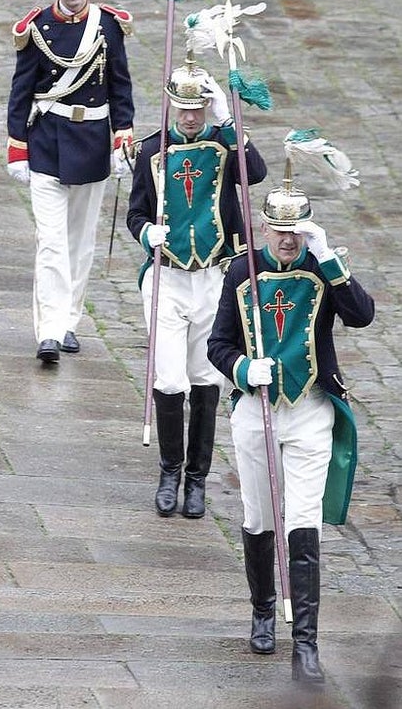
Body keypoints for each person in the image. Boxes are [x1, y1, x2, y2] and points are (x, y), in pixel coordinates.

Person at [208, 185, 374, 685]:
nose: (287, 240)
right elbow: (218, 343)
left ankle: (306, 645)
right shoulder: (241, 272)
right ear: (264, 228)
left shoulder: (323, 269)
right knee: (259, 515)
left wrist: (328, 258)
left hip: (310, 410)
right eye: (280, 231)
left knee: (303, 520)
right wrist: (242, 369)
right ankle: (262, 609)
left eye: (296, 232)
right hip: (256, 409)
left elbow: (362, 315)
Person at [127, 61, 267, 519]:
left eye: (198, 108)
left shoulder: (224, 144)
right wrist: (146, 233)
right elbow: (135, 212)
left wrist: (228, 118)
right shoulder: (152, 150)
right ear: (172, 106)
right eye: (183, 108)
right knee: (169, 378)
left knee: (206, 377)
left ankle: (197, 479)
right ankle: (169, 470)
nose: (190, 117)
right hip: (167, 277)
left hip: (213, 277)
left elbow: (256, 172)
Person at [6, 0, 136, 364]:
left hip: (92, 143)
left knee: (80, 243)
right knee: (51, 242)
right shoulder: (37, 28)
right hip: (47, 142)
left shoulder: (108, 26)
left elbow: (120, 86)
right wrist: (17, 146)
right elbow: (21, 91)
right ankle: (48, 329)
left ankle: (69, 322)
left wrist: (122, 137)